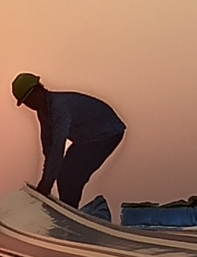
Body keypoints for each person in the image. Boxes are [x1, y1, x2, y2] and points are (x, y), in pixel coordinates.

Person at [12, 73, 126, 208]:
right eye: (26, 102)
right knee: (64, 174)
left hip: (107, 134)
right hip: (86, 139)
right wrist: (44, 183)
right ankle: (68, 209)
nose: (30, 104)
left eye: (30, 99)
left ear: (39, 90)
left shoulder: (60, 108)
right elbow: (48, 148)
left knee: (71, 175)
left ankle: (69, 210)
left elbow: (57, 148)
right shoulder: (44, 113)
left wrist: (46, 185)